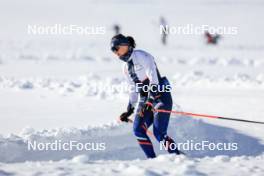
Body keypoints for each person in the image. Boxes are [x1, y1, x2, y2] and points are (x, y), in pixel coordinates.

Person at [110, 34, 181, 158]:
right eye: (114, 51)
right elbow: (133, 89)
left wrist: (150, 100)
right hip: (145, 99)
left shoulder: (142, 56)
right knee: (138, 130)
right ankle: (152, 161)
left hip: (159, 95)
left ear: (126, 45)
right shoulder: (125, 67)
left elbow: (153, 78)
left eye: (118, 49)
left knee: (159, 134)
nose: (117, 53)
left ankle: (178, 158)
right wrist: (129, 110)